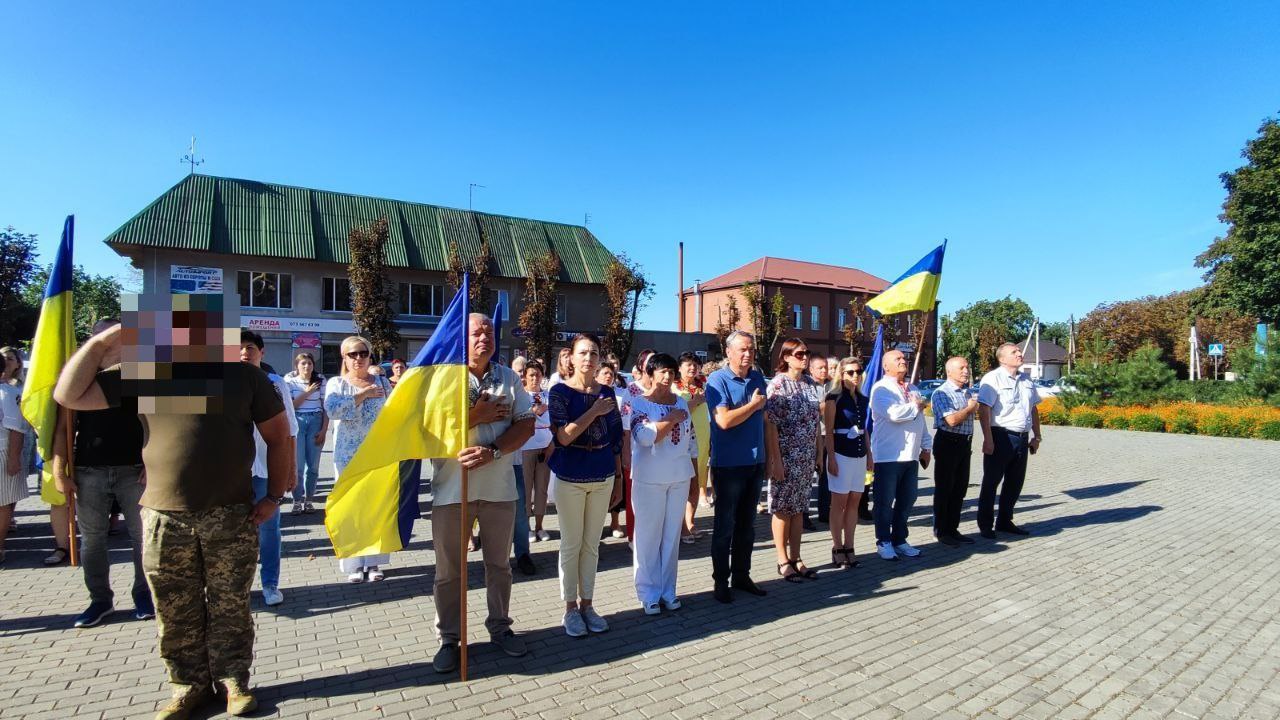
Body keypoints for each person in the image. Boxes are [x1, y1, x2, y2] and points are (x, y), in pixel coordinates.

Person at [54, 313, 291, 719]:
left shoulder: (245, 378)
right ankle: (188, 686)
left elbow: (279, 436)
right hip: (164, 517)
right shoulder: (146, 376)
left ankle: (233, 681)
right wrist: (105, 340)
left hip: (229, 513)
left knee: (230, 605)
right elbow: (69, 394)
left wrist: (273, 496)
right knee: (174, 608)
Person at [430, 314, 534, 673]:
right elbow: (427, 430)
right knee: (449, 572)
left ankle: (500, 627)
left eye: (489, 332)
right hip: (450, 491)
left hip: (499, 490)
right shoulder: (442, 378)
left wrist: (494, 451)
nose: (484, 338)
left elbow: (526, 423)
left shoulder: (509, 378)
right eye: (476, 332)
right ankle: (449, 638)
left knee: (499, 567)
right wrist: (476, 415)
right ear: (462, 337)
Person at [49, 319, 152, 626]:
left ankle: (144, 595)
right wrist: (59, 471)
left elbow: (157, 425)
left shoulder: (141, 375)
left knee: (142, 537)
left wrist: (153, 463)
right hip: (89, 471)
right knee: (92, 540)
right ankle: (100, 600)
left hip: (136, 470)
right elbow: (63, 429)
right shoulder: (79, 380)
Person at [548, 334, 624, 637]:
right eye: (582, 353)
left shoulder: (607, 392)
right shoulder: (559, 392)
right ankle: (570, 608)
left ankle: (588, 605)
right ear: (571, 356)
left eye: (593, 353)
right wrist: (594, 411)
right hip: (570, 476)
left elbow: (616, 438)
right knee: (571, 544)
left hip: (602, 474)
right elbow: (563, 437)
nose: (588, 359)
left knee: (592, 544)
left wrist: (618, 477)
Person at [704, 330, 771, 604]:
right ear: (728, 352)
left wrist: (768, 458)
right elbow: (723, 421)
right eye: (743, 349)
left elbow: (765, 419)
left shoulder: (757, 377)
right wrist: (753, 405)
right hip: (729, 465)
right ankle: (721, 581)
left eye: (751, 349)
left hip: (755, 462)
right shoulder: (717, 380)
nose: (748, 354)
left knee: (747, 526)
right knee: (725, 527)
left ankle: (742, 575)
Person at [629, 353, 696, 614]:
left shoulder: (681, 402)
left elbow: (690, 439)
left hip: (679, 476)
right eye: (661, 372)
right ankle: (648, 592)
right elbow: (645, 437)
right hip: (649, 478)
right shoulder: (639, 403)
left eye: (671, 372)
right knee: (648, 537)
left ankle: (668, 590)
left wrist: (695, 475)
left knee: (671, 537)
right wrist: (671, 420)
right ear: (650, 374)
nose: (667, 377)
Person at [324, 337, 394, 583]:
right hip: (348, 456)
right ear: (344, 357)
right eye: (352, 354)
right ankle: (354, 564)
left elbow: (393, 412)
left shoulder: (382, 382)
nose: (358, 358)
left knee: (376, 509)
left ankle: (374, 562)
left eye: (363, 353)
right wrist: (363, 394)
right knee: (351, 509)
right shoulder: (337, 383)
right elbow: (333, 410)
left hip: (378, 455)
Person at [240, 331, 298, 606]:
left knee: (269, 529)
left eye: (250, 347)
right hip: (233, 471)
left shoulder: (275, 383)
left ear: (261, 352)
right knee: (234, 530)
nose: (244, 352)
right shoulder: (222, 383)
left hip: (266, 468)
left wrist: (291, 468)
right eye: (238, 347)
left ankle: (270, 584)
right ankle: (237, 585)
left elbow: (290, 430)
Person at [764, 338, 822, 582]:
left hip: (805, 457)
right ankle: (783, 560)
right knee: (782, 509)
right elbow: (771, 425)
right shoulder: (778, 384)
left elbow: (815, 423)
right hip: (786, 457)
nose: (805, 357)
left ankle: (797, 558)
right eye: (799, 354)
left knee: (799, 509)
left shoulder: (810, 384)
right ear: (786, 357)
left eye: (807, 353)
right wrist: (775, 460)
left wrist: (818, 452)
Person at [868, 349, 933, 561]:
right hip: (889, 456)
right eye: (897, 359)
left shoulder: (913, 388)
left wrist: (926, 446)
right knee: (884, 502)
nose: (903, 361)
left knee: (907, 500)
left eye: (904, 358)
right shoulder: (881, 389)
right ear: (886, 366)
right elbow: (894, 414)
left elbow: (920, 421)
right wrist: (915, 405)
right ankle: (883, 541)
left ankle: (900, 539)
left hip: (911, 456)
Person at [976, 343, 1042, 538]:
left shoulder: (1026, 379)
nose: (1019, 354)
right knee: (991, 482)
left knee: (1015, 482)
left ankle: (1005, 521)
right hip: (1001, 436)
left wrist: (1037, 436)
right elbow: (984, 409)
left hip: (1022, 437)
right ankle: (985, 524)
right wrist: (988, 439)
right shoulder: (993, 378)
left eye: (1019, 351)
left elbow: (1033, 408)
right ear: (1002, 358)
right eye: (1014, 352)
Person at [823, 357, 869, 568]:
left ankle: (850, 546)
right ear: (841, 375)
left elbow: (864, 430)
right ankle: (837, 547)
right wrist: (831, 458)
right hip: (841, 454)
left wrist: (869, 455)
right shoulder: (833, 398)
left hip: (859, 454)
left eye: (858, 371)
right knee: (839, 503)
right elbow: (829, 432)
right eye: (850, 372)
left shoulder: (862, 398)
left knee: (854, 503)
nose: (855, 375)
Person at [930, 356, 979, 545]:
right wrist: (970, 408)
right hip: (948, 443)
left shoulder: (967, 392)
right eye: (961, 368)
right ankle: (941, 531)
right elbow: (951, 420)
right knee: (945, 488)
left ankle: (953, 529)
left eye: (967, 367)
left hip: (964, 444)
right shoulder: (942, 393)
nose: (966, 371)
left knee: (959, 489)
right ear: (949, 371)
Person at [284, 352, 327, 515]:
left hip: (316, 421)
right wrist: (308, 392)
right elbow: (291, 406)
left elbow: (326, 407)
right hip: (298, 422)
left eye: (309, 363)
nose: (307, 366)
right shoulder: (290, 381)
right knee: (298, 466)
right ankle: (297, 501)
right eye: (303, 363)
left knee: (313, 466)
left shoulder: (320, 380)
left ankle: (309, 500)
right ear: (297, 366)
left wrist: (324, 430)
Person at [673, 352, 710, 542]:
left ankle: (690, 522)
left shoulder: (702, 386)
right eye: (688, 364)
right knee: (683, 484)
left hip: (700, 439)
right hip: (680, 441)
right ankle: (680, 526)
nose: (693, 368)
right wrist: (695, 402)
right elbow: (675, 412)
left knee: (696, 483)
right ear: (679, 368)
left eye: (695, 365)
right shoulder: (672, 387)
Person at [0, 347, 31, 566]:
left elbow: (16, 429)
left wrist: (13, 460)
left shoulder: (8, 393)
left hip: (3, 453)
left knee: (2, 504)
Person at [521, 362, 554, 543]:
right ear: (525, 376)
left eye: (538, 375)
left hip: (545, 447)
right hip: (525, 447)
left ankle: (540, 526)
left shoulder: (548, 395)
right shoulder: (521, 395)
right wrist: (533, 412)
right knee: (526, 488)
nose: (535, 378)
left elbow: (554, 420)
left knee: (542, 488)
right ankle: (526, 527)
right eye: (531, 375)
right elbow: (517, 419)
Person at [808, 354, 832, 528]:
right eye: (820, 368)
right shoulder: (807, 386)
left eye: (826, 367)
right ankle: (804, 515)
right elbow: (813, 410)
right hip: (812, 436)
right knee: (808, 476)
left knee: (826, 476)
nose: (824, 370)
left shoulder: (833, 386)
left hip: (829, 435)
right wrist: (826, 403)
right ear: (811, 369)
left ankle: (824, 512)